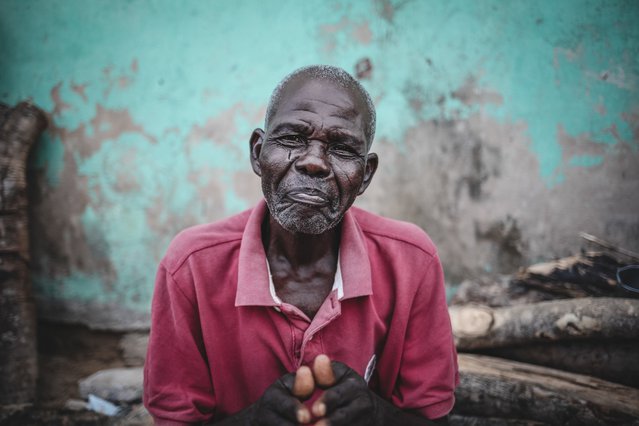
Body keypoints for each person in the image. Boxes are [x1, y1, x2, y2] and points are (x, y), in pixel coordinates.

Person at [144, 65, 459, 425]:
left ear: (366, 174)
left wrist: (375, 414)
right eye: (292, 138)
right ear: (258, 152)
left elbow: (433, 417)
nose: (313, 162)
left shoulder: (411, 261)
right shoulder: (191, 267)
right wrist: (252, 421)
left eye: (341, 148)